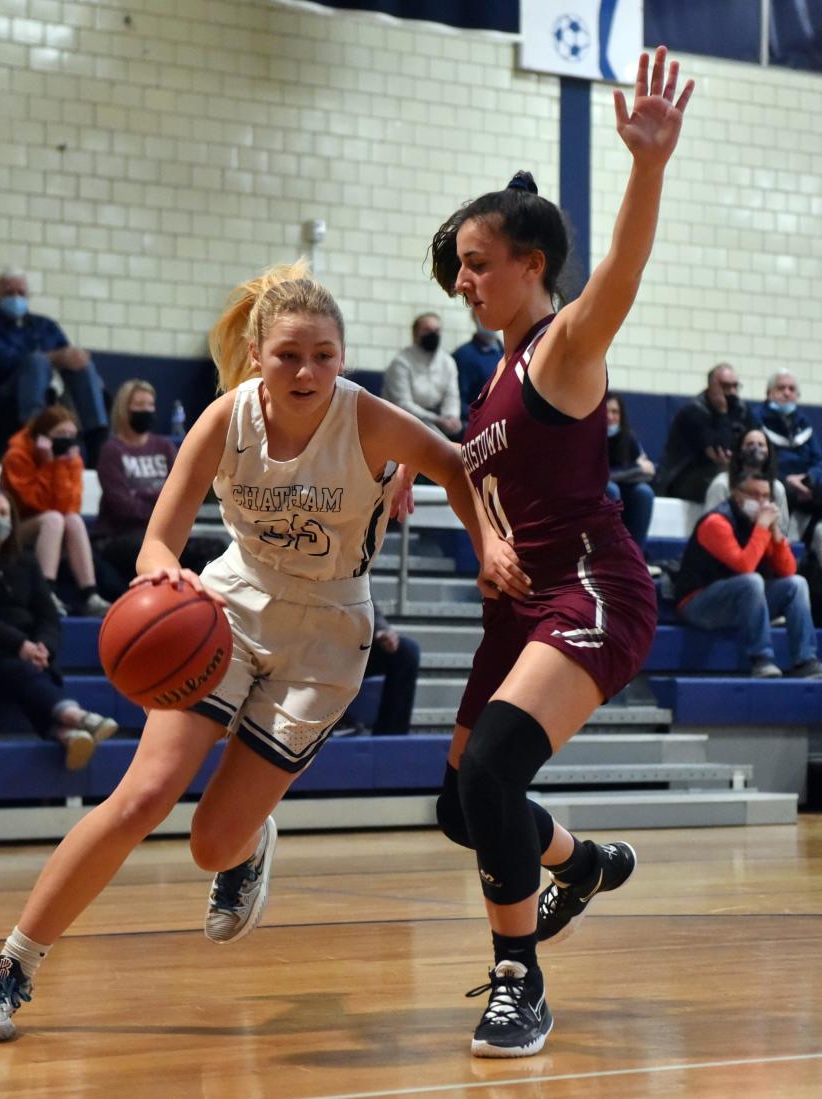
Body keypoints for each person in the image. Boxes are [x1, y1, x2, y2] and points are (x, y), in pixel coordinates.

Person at [0, 258, 485, 1044]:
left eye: (326, 355)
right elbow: (158, 540)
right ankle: (11, 964)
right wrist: (170, 584)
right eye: (290, 354)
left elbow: (457, 464)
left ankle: (246, 839)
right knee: (143, 794)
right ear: (259, 355)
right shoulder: (223, 417)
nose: (308, 371)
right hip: (226, 604)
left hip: (328, 633)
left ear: (345, 356)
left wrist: (485, 551)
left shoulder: (369, 418)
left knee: (210, 843)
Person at [426, 48, 693, 1058]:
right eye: (459, 265)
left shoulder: (565, 348)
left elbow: (620, 271)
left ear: (531, 264)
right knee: (461, 805)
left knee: (495, 768)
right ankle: (579, 862)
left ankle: (519, 980)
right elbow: (481, 487)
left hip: (593, 586)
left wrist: (648, 167)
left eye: (479, 262)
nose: (463, 280)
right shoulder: (488, 380)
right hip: (518, 602)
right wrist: (486, 537)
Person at [0, 488, 118, 768]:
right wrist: (20, 644)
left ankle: (67, 733)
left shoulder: (26, 560)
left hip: (28, 648)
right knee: (16, 667)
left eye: (4, 513)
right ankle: (73, 716)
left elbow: (48, 614)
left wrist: (45, 646)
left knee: (31, 668)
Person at [676, 470, 822, 679]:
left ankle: (805, 660)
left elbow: (788, 570)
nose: (761, 502)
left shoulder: (760, 524)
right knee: (752, 581)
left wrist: (777, 535)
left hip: (742, 602)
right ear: (736, 493)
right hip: (699, 603)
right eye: (754, 494)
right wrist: (762, 527)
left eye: (765, 496)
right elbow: (744, 566)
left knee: (796, 584)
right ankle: (761, 660)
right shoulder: (716, 522)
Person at [94, 380, 228, 590]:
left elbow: (181, 493)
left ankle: (200, 605)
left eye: (150, 404)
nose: (146, 410)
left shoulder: (163, 446)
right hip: (120, 536)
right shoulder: (112, 450)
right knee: (143, 549)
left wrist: (144, 497)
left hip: (162, 534)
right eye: (139, 404)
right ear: (123, 409)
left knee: (215, 549)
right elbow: (122, 506)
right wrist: (160, 501)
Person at [0, 268, 108, 461]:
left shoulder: (45, 325)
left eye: (21, 293)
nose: (16, 297)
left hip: (51, 388)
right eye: (10, 293)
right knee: (36, 361)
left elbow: (66, 355)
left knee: (81, 362)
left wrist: (72, 358)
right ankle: (35, 429)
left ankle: (97, 438)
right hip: (6, 389)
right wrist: (52, 357)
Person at [0, 406, 111, 617]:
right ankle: (46, 592)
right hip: (17, 527)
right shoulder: (16, 456)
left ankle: (90, 594)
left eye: (71, 435)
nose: (67, 440)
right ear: (42, 436)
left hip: (55, 527)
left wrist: (60, 466)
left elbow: (70, 506)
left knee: (73, 521)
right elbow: (33, 504)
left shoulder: (72, 460)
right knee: (53, 519)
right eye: (60, 435)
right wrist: (48, 464)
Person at [656, 362, 754, 501]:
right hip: (684, 477)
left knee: (763, 485)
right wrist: (722, 413)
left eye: (735, 386)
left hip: (725, 471)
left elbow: (753, 441)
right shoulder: (694, 411)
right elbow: (722, 451)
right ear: (712, 387)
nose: (732, 392)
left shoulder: (741, 410)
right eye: (726, 386)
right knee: (722, 484)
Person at [751, 371, 822, 547]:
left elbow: (818, 459)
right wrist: (787, 479)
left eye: (791, 389)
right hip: (776, 480)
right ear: (769, 393)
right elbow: (757, 460)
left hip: (805, 482)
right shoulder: (756, 419)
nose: (787, 392)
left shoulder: (803, 423)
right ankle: (778, 550)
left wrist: (809, 479)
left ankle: (809, 546)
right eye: (781, 388)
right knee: (781, 491)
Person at [382, 312, 463, 439]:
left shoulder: (448, 362)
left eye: (436, 330)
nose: (432, 334)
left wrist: (451, 417)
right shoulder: (401, 363)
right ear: (414, 334)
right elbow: (403, 404)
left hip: (435, 423)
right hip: (401, 423)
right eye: (426, 330)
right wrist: (437, 420)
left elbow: (451, 396)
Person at [704, 428, 788, 532]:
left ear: (768, 452)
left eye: (761, 445)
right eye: (750, 444)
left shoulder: (777, 488)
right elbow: (710, 527)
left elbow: (782, 532)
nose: (756, 448)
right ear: (739, 451)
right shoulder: (721, 484)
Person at [605, 391, 655, 553]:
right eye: (606, 412)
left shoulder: (628, 438)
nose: (610, 416)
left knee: (644, 492)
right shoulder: (589, 436)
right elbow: (601, 476)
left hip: (624, 490)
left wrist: (629, 472)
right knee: (612, 489)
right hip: (597, 491)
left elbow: (649, 472)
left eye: (615, 412)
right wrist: (634, 470)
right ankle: (610, 552)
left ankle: (634, 555)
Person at [361, 602, 421, 734]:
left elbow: (365, 596)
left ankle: (390, 741)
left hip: (348, 644)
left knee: (405, 652)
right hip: (315, 646)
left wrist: (380, 629)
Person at [452, 312, 503, 430]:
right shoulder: (463, 356)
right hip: (477, 428)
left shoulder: (507, 353)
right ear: (474, 318)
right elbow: (457, 401)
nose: (490, 319)